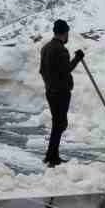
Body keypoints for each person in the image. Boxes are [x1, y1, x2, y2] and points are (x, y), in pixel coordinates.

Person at [38, 19, 83, 168]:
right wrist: (78, 58)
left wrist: (49, 84)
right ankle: (52, 157)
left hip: (50, 91)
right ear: (64, 33)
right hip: (61, 92)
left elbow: (42, 70)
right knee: (60, 124)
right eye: (67, 32)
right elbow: (66, 70)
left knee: (58, 123)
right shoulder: (60, 50)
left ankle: (52, 155)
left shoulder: (45, 48)